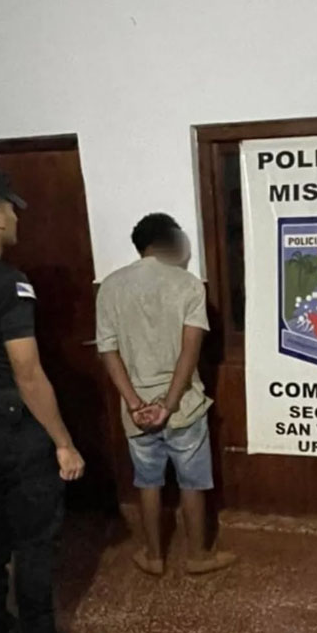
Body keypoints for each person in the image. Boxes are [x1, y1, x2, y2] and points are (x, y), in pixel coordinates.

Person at [0, 167, 101, 633]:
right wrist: (63, 443)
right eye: (11, 209)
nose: (16, 219)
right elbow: (27, 373)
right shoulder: (8, 282)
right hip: (11, 430)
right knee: (33, 542)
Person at [96, 213, 236, 576]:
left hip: (137, 409)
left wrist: (134, 403)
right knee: (193, 482)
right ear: (171, 241)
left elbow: (108, 350)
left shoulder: (111, 286)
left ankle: (153, 555)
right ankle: (198, 556)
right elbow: (190, 352)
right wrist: (169, 404)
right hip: (184, 405)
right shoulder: (188, 285)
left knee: (147, 481)